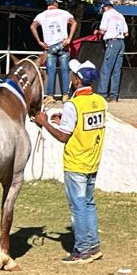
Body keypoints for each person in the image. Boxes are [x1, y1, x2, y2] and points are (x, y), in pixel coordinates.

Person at [34, 59, 109, 263]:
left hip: (76, 162)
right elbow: (82, 127)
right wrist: (63, 122)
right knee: (89, 203)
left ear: (76, 81)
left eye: (73, 75)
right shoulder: (101, 102)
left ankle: (83, 250)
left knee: (78, 207)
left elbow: (63, 137)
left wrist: (44, 123)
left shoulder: (72, 105)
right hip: (93, 162)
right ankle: (93, 246)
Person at [31, 0, 77, 101]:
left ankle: (50, 96)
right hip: (63, 45)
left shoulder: (41, 15)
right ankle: (65, 95)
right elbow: (74, 23)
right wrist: (69, 38)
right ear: (55, 3)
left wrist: (39, 42)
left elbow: (32, 26)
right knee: (65, 70)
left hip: (49, 46)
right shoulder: (64, 13)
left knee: (50, 71)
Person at [95, 0, 129, 101]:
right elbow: (126, 33)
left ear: (105, 7)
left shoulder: (107, 14)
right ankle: (114, 95)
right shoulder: (120, 15)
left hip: (112, 43)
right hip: (121, 43)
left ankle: (102, 94)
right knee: (116, 70)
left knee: (106, 69)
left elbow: (103, 30)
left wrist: (97, 31)